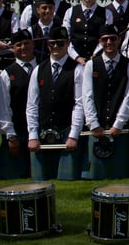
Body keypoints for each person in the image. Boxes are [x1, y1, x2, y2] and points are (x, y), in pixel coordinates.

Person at [25, 27, 84, 180]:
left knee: (67, 183)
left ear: (67, 44)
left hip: (66, 131)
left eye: (60, 43)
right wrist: (32, 135)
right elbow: (32, 105)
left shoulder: (77, 70)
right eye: (52, 44)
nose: (56, 47)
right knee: (39, 184)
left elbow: (79, 105)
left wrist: (74, 135)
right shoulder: (38, 70)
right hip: (42, 132)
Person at [81, 24, 129, 179]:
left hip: (120, 129)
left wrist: (118, 124)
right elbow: (87, 96)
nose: (109, 43)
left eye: (112, 39)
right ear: (100, 42)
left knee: (120, 175)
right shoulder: (91, 65)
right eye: (104, 39)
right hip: (97, 127)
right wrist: (93, 123)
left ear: (119, 40)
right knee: (96, 174)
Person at [0, 29, 36, 179]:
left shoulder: (44, 68)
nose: (23, 47)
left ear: (33, 44)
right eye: (19, 45)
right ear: (13, 48)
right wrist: (11, 136)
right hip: (18, 133)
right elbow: (2, 108)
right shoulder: (6, 74)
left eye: (26, 43)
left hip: (42, 131)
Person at [63, 0, 115, 64]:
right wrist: (77, 57)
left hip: (97, 60)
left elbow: (105, 39)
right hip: (73, 61)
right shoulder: (70, 12)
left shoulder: (107, 13)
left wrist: (94, 56)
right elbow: (66, 38)